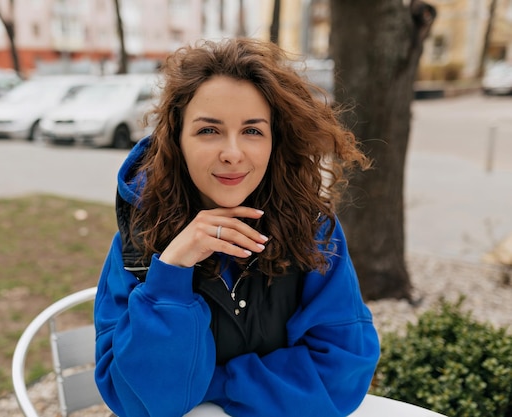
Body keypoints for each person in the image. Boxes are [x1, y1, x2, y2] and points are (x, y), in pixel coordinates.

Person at [94, 37, 380, 417]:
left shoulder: (315, 230)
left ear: (275, 142)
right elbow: (138, 402)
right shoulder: (139, 240)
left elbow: (342, 374)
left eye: (252, 131)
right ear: (177, 140)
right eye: (208, 131)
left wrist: (216, 383)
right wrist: (172, 271)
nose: (232, 153)